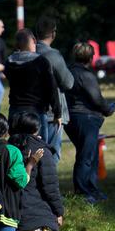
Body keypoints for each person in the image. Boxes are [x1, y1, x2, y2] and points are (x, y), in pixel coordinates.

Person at [9, 112, 65, 231]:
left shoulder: (9, 147)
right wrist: (58, 210)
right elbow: (50, 186)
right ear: (36, 128)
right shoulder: (42, 151)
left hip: (8, 207)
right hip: (34, 208)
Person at [65, 42, 115, 203]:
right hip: (85, 119)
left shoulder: (68, 71)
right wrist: (109, 109)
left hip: (71, 118)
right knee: (86, 157)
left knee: (89, 155)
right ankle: (83, 192)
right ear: (91, 57)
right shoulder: (86, 75)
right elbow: (96, 99)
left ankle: (91, 189)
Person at [34, 15, 75, 164]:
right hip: (52, 112)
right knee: (52, 154)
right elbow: (68, 82)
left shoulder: (28, 53)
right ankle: (49, 187)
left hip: (31, 110)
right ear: (53, 33)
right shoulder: (52, 55)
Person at [4, 28, 59, 125]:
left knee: (16, 140)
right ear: (34, 40)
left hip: (15, 110)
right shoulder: (41, 61)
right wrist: (57, 113)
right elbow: (52, 88)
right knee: (38, 140)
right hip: (36, 112)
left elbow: (8, 76)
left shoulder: (9, 61)